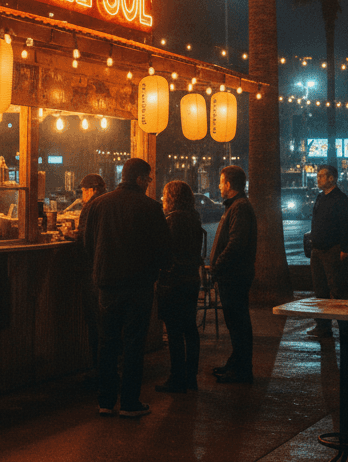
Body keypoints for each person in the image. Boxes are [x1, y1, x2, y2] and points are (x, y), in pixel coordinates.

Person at [81, 158, 171, 417]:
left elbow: (88, 243)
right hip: (139, 285)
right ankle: (130, 402)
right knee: (133, 343)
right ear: (140, 179)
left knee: (107, 342)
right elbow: (164, 250)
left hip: (107, 284)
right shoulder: (151, 208)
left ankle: (106, 401)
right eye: (149, 179)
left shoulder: (98, 204)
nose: (149, 184)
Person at [208, 165, 257, 383]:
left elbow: (236, 243)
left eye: (220, 182)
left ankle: (242, 370)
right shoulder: (236, 206)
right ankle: (236, 364)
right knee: (236, 324)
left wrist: (218, 265)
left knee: (238, 324)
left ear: (229, 185)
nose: (218, 186)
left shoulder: (239, 208)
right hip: (233, 275)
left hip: (234, 276)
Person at [155, 180, 204, 393]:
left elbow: (164, 251)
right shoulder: (194, 218)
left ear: (172, 198)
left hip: (173, 281)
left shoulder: (171, 221)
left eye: (165, 196)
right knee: (190, 329)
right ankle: (191, 377)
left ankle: (176, 378)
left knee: (174, 332)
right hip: (191, 279)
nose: (163, 200)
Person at [308, 164, 348, 337]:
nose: (317, 179)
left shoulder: (340, 199)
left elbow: (347, 225)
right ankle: (323, 326)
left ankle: (344, 326)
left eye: (321, 176)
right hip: (317, 250)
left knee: (337, 288)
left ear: (331, 178)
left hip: (332, 249)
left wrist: (344, 248)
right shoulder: (320, 197)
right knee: (320, 290)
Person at [73, 173, 108, 369]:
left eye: (84, 190)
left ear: (93, 190)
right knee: (106, 326)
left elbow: (85, 240)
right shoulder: (109, 204)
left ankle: (97, 369)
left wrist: (74, 235)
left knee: (95, 324)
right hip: (106, 273)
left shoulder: (91, 207)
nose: (83, 194)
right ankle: (108, 369)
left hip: (91, 273)